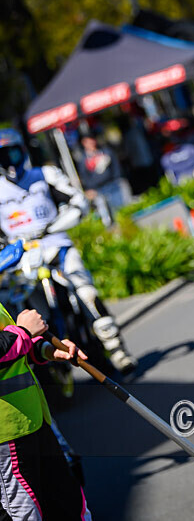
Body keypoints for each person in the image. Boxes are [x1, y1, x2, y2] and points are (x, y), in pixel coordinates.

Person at [0, 129, 137, 374]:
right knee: (23, 309)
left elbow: (79, 203)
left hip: (56, 246)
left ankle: (116, 349)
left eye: (13, 153)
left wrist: (52, 227)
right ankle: (43, 361)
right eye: (2, 156)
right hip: (20, 260)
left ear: (22, 150)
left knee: (86, 292)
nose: (9, 161)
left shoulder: (44, 175)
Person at [0, 304, 91, 520]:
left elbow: (12, 352)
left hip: (34, 421)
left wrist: (48, 350)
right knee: (27, 514)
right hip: (6, 436)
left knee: (70, 505)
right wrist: (24, 331)